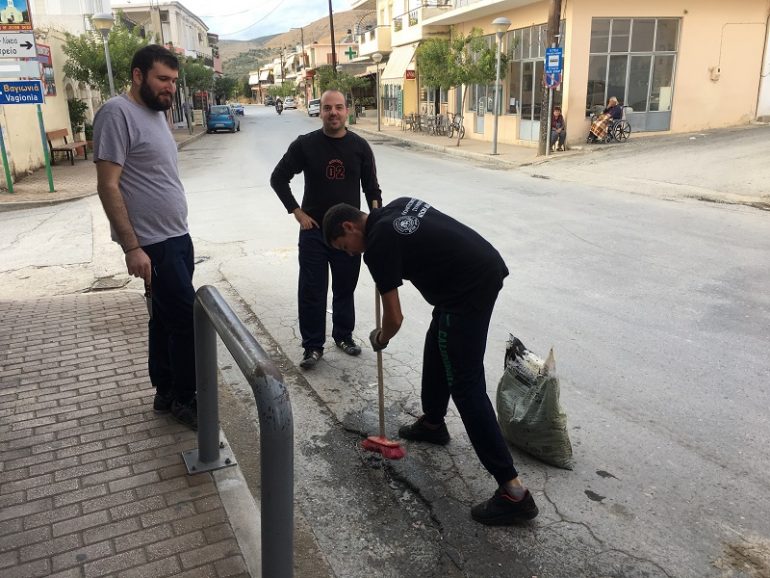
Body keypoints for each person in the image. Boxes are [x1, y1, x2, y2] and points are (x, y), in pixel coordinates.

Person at [322, 198, 539, 526]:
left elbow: (394, 318)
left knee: (465, 385)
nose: (350, 254)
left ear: (349, 227)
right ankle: (433, 423)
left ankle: (514, 492)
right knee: (438, 337)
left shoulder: (377, 245)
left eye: (344, 246)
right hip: (482, 266)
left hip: (465, 292)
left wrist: (380, 337)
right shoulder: (396, 207)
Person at [92, 44, 197, 430]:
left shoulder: (157, 113)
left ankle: (165, 391)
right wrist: (132, 247)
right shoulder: (116, 113)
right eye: (162, 79)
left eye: (173, 81)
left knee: (164, 320)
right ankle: (186, 398)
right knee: (187, 321)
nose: (170, 87)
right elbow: (108, 185)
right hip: (153, 243)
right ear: (138, 76)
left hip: (177, 236)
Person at [270, 89, 382, 369]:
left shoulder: (360, 147)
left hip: (349, 234)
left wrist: (376, 224)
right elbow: (278, 178)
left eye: (339, 107)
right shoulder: (305, 145)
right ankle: (312, 346)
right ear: (320, 112)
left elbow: (372, 189)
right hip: (314, 232)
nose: (333, 113)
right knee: (312, 291)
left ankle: (343, 336)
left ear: (346, 111)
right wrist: (297, 212)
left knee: (345, 288)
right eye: (328, 108)